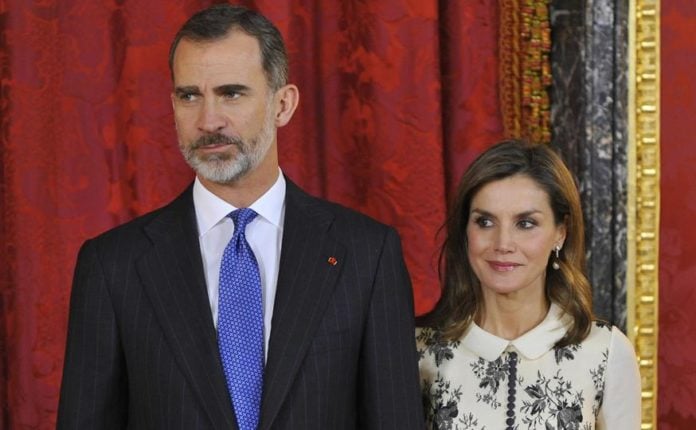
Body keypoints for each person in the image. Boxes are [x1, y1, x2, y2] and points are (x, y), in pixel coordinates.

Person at [57, 4, 423, 429]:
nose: (208, 120)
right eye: (189, 95)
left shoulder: (367, 254)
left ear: (283, 104)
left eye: (232, 93)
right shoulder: (112, 266)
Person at [416, 140, 641, 429]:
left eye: (525, 224)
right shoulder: (417, 350)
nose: (503, 244)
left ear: (560, 233)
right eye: (485, 222)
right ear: (465, 231)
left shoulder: (606, 352)